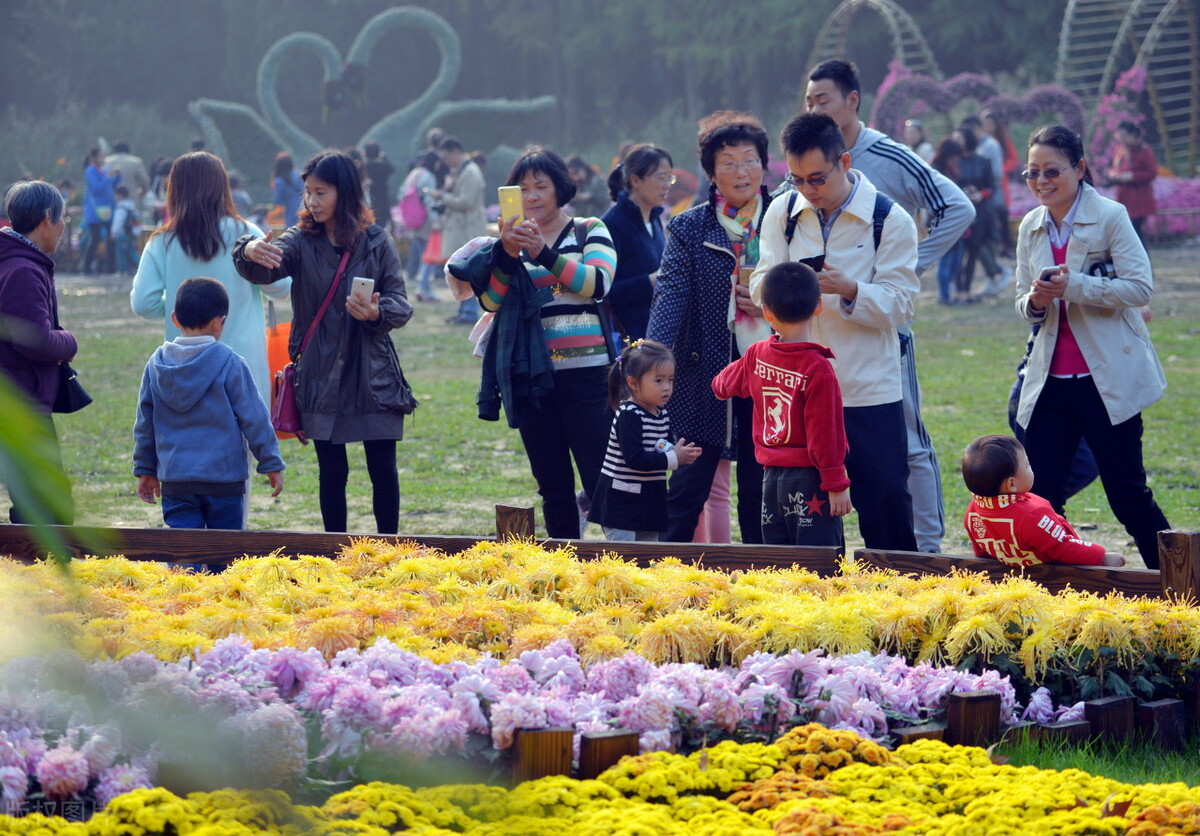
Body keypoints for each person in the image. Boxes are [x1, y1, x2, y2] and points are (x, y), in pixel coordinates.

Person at [804, 59, 973, 554]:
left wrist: (910, 267)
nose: (814, 108)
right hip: (827, 335)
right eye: (809, 101)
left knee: (909, 437)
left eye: (824, 100)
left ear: (853, 101)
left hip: (883, 322)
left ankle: (926, 547)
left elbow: (957, 207)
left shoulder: (887, 155)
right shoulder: (810, 163)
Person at [751, 112, 920, 552]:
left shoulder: (889, 219)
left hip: (866, 392)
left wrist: (850, 290)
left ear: (844, 162)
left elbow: (901, 304)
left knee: (884, 505)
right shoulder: (782, 211)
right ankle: (818, 607)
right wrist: (788, 288)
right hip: (799, 396)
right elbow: (759, 283)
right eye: (797, 179)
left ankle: (900, 603)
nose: (808, 190)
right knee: (804, 521)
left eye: (818, 178)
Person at [1014, 123, 1170, 569]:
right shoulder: (1030, 225)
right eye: (1032, 173)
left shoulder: (1110, 216)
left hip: (1107, 383)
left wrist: (1076, 286)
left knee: (1127, 496)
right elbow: (1022, 302)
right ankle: (1061, 594)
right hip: (1050, 383)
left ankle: (1181, 585)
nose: (1041, 181)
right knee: (1039, 499)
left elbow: (1140, 289)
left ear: (1080, 168)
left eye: (1051, 171)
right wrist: (1037, 301)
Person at [235, 150, 414, 535]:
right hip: (320, 375)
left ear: (344, 193)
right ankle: (335, 552)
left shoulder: (378, 242)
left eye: (321, 193)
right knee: (333, 473)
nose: (311, 202)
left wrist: (376, 314)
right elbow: (264, 271)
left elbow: (401, 304)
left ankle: (390, 552)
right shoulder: (300, 241)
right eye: (308, 193)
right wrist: (247, 251)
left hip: (373, 377)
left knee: (383, 470)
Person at [469, 147, 617, 539]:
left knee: (601, 476)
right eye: (523, 188)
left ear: (560, 188)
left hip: (588, 376)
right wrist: (506, 251)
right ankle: (566, 563)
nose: (532, 196)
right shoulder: (510, 242)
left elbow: (597, 284)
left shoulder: (589, 229)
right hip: (532, 376)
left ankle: (624, 564)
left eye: (541, 186)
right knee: (552, 486)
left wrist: (544, 253)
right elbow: (490, 301)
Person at [647, 111, 775, 544]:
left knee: (762, 491)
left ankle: (765, 581)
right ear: (711, 173)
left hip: (771, 372)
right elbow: (671, 293)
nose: (741, 171)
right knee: (686, 489)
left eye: (750, 160)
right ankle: (665, 582)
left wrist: (765, 303)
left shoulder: (787, 217)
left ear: (765, 165)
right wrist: (654, 357)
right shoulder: (689, 226)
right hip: (706, 375)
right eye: (728, 162)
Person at [132, 151, 291, 409]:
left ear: (175, 189)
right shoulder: (248, 234)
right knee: (245, 441)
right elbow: (281, 288)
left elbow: (143, 303)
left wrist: (181, 307)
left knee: (192, 440)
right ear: (222, 186)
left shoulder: (162, 241)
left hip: (185, 364)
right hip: (244, 362)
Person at [713, 261, 851, 547]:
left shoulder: (757, 354)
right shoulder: (818, 368)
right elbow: (826, 434)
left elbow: (721, 386)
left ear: (766, 312)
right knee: (821, 565)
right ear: (818, 306)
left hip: (770, 483)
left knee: (780, 564)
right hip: (810, 484)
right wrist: (836, 484)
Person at [133, 277, 285, 530]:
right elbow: (254, 418)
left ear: (174, 319)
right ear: (219, 323)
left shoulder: (156, 365)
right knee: (224, 554)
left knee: (184, 556)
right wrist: (270, 461)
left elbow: (144, 424)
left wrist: (145, 469)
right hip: (223, 480)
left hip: (176, 479)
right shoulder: (231, 363)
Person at [0, 181, 77, 523]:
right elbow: (35, 341)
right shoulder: (23, 270)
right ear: (47, 219)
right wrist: (69, 342)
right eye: (64, 219)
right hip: (21, 405)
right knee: (47, 511)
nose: (64, 228)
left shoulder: (15, 262)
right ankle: (38, 574)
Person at [588, 339, 701, 540]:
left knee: (648, 557)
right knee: (624, 559)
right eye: (658, 381)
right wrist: (673, 458)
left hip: (649, 500)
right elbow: (635, 459)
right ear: (633, 383)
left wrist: (677, 451)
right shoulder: (629, 415)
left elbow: (658, 445)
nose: (667, 387)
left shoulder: (661, 413)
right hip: (621, 502)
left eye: (670, 380)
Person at [961, 435, 1124, 567]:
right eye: (1027, 465)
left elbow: (983, 551)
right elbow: (1063, 547)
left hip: (1014, 578)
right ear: (1012, 484)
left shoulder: (973, 512)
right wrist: (1102, 557)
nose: (1031, 467)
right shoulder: (1031, 515)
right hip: (1054, 580)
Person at [601, 144, 673, 342]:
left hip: (657, 333)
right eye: (661, 177)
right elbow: (604, 292)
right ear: (636, 180)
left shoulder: (655, 219)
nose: (667, 184)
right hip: (629, 338)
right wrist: (650, 280)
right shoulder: (612, 224)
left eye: (670, 177)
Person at [433, 136, 487, 324]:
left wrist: (444, 196)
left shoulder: (471, 172)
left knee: (469, 270)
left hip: (467, 229)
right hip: (460, 228)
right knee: (460, 270)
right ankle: (463, 311)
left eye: (447, 157)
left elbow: (466, 202)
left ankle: (470, 312)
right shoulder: (460, 171)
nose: (446, 162)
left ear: (456, 152)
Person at [953, 126, 997, 303]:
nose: (956, 142)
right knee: (957, 252)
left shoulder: (982, 161)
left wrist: (980, 194)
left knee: (973, 251)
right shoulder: (953, 162)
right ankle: (958, 289)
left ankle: (967, 289)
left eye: (960, 138)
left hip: (978, 212)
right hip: (958, 213)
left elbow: (991, 187)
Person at [397, 151, 443, 302]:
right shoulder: (428, 176)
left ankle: (424, 287)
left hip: (413, 220)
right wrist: (435, 220)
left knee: (422, 253)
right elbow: (429, 201)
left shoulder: (414, 173)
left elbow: (401, 194)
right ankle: (423, 288)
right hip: (425, 221)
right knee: (429, 256)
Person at [1107, 120, 1157, 248]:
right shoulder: (1121, 150)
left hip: (1139, 199)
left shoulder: (1144, 151)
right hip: (1124, 197)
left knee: (1136, 234)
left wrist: (1132, 176)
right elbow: (1116, 168)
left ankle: (1143, 265)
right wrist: (1114, 174)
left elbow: (1151, 173)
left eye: (1124, 137)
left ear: (1133, 134)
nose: (1122, 140)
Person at [930, 139, 966, 306]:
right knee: (946, 260)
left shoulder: (949, 169)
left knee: (955, 259)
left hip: (956, 220)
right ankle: (944, 296)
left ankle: (948, 293)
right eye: (954, 156)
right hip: (944, 220)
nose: (956, 160)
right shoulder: (937, 171)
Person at [982, 109, 1018, 257]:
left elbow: (1013, 159)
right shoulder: (981, 141)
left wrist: (1002, 169)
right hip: (984, 184)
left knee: (1003, 213)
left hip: (1000, 182)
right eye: (985, 124)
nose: (987, 127)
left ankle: (1007, 246)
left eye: (990, 124)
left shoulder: (1002, 140)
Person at [81, 147, 119, 275]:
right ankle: (87, 267)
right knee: (95, 239)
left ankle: (110, 268)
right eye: (101, 156)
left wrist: (117, 176)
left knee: (111, 238)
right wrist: (108, 177)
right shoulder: (90, 171)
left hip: (107, 210)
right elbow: (96, 188)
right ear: (94, 158)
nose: (104, 159)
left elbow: (111, 185)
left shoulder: (105, 170)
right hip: (95, 211)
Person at [362, 140, 395, 233]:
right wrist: (384, 157)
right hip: (383, 200)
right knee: (381, 229)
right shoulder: (383, 166)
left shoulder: (365, 166)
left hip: (369, 201)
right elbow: (392, 168)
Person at [110, 185, 141, 277]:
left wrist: (113, 232)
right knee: (131, 252)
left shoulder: (121, 207)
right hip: (131, 234)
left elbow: (118, 221)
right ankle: (142, 268)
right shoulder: (132, 206)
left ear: (120, 195)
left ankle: (122, 271)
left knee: (121, 254)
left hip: (121, 234)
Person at [567, 155, 610, 219]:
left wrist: (590, 197)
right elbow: (571, 203)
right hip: (581, 223)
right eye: (571, 173)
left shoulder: (598, 181)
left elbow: (605, 200)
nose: (575, 176)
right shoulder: (575, 183)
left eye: (576, 172)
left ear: (584, 168)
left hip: (598, 220)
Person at [272, 152, 304, 228]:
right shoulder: (298, 174)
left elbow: (278, 200)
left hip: (290, 211)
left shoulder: (279, 180)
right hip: (303, 206)